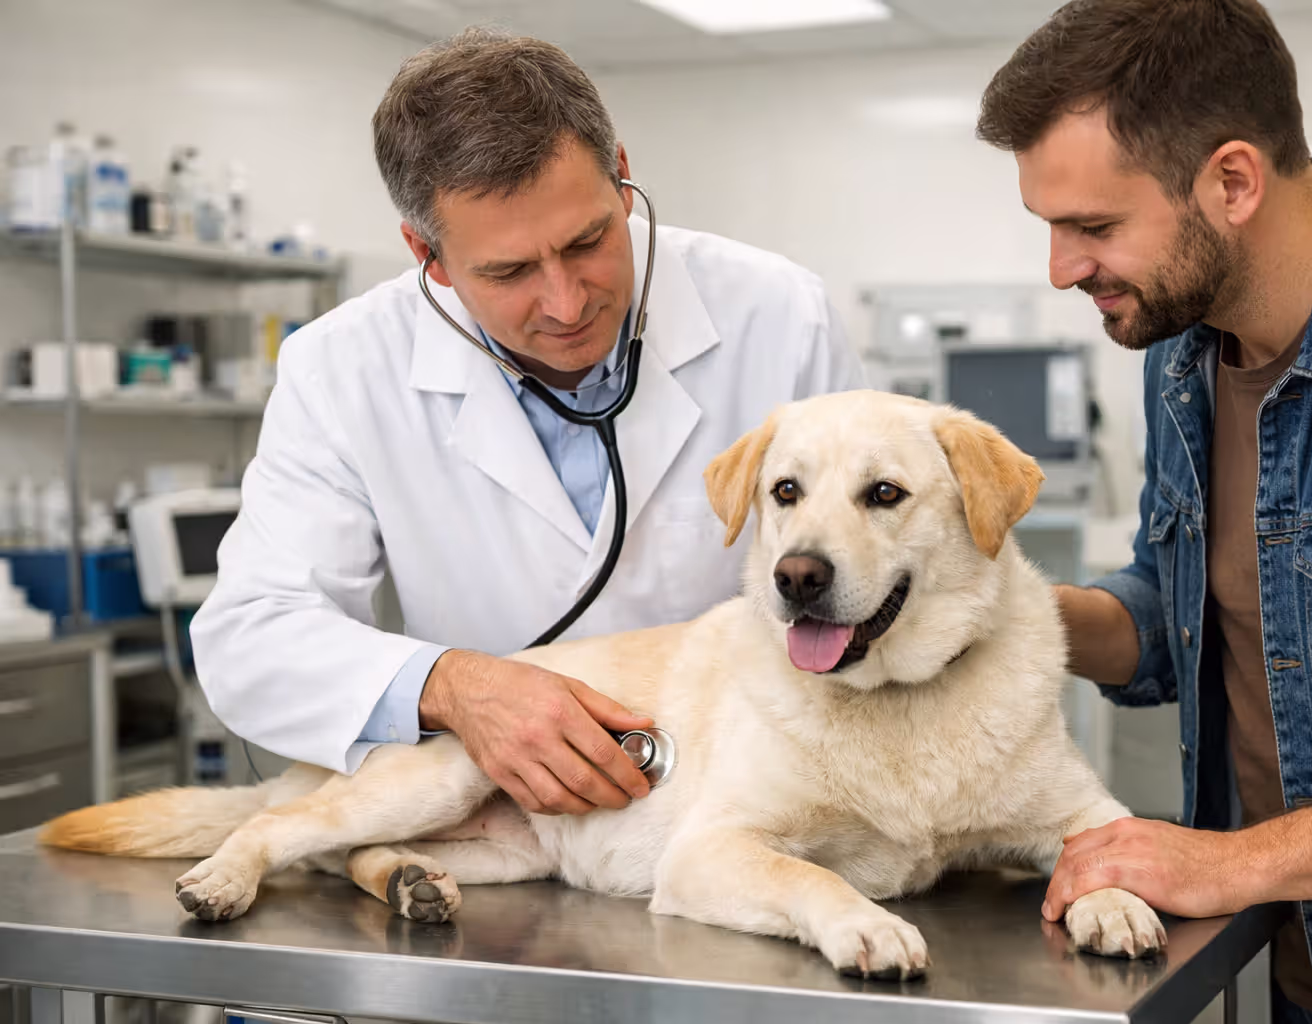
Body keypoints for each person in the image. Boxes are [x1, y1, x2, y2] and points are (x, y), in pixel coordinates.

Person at [975, 1, 1312, 1021]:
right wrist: (986, 613)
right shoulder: (1182, 352)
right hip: (1278, 976)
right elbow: (1172, 617)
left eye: (1093, 227)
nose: (1060, 270)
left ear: (1232, 180)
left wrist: (1231, 866)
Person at [190, 29, 862, 820]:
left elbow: (876, 567)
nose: (567, 303)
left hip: (764, 800)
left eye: (589, 241)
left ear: (621, 176)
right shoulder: (341, 369)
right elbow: (253, 635)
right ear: (427, 254)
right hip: (503, 817)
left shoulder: (781, 316)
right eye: (508, 272)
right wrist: (456, 688)